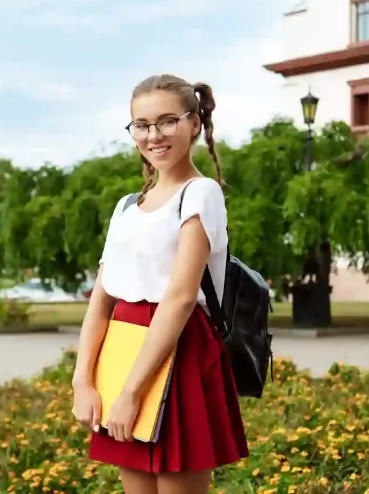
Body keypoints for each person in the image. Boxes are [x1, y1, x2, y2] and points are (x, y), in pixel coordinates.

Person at [71, 74, 249, 494]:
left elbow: (181, 299)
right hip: (123, 348)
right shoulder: (126, 207)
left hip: (178, 349)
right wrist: (83, 380)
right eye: (142, 125)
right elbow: (101, 300)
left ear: (195, 124)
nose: (154, 135)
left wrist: (132, 390)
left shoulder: (201, 194)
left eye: (168, 121)